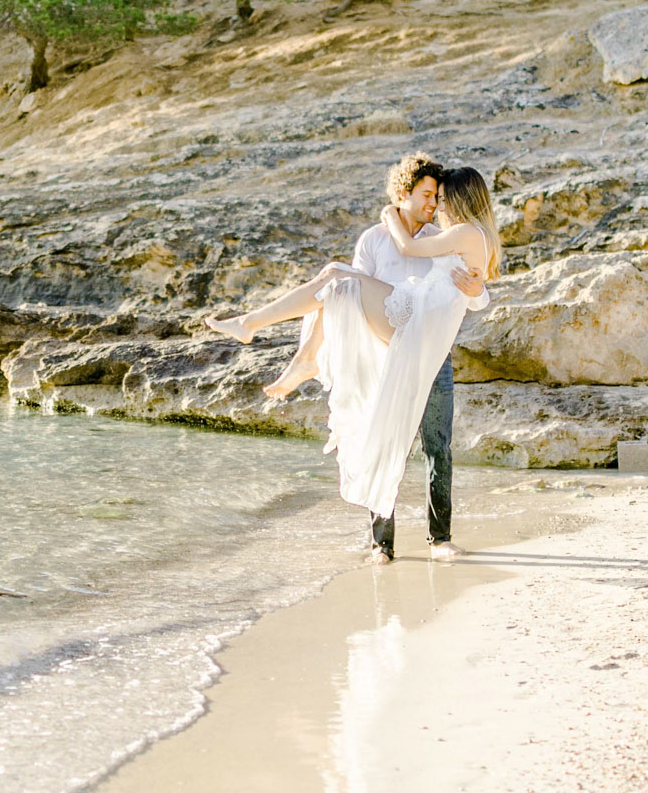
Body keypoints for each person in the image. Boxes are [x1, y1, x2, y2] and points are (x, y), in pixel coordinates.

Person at [205, 163, 501, 565]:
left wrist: (391, 218)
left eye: (442, 197)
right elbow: (352, 298)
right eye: (430, 196)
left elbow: (438, 267)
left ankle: (267, 335)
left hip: (419, 332)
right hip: (402, 335)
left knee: (438, 447)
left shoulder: (451, 235)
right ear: (405, 195)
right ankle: (382, 545)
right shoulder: (384, 241)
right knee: (379, 430)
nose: (437, 204)